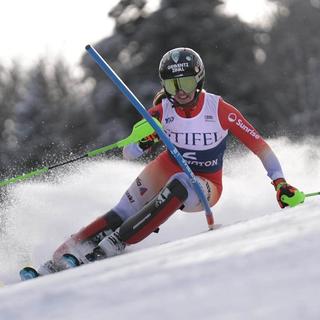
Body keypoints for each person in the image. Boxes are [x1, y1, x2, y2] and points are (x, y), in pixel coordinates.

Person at [35, 48, 305, 275]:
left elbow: (260, 147)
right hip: (166, 166)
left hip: (206, 185)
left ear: (198, 80)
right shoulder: (160, 111)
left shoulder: (219, 109)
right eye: (172, 85)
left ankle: (115, 243)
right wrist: (144, 141)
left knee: (181, 183)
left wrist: (279, 183)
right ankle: (63, 254)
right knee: (121, 211)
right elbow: (128, 153)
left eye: (186, 83)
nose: (180, 91)